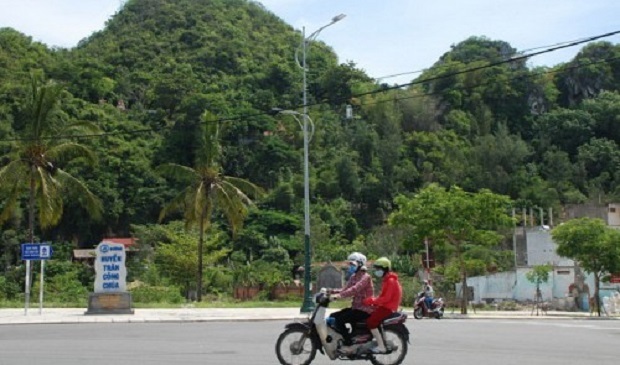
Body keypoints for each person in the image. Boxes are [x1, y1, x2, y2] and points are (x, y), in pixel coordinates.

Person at [329, 252, 374, 346]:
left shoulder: (366, 277)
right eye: (350, 264)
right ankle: (347, 335)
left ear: (360, 264)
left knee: (340, 320)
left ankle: (348, 342)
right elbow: (345, 289)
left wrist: (339, 296)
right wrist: (331, 291)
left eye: (353, 264)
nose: (350, 266)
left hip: (364, 309)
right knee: (333, 316)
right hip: (356, 308)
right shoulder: (354, 277)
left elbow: (354, 289)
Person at [363, 257, 402, 354]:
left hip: (388, 308)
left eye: (378, 269)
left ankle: (381, 347)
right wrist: (373, 302)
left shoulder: (391, 281)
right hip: (386, 306)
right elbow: (382, 297)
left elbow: (386, 298)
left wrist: (371, 300)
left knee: (371, 322)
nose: (377, 271)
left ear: (384, 269)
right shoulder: (388, 280)